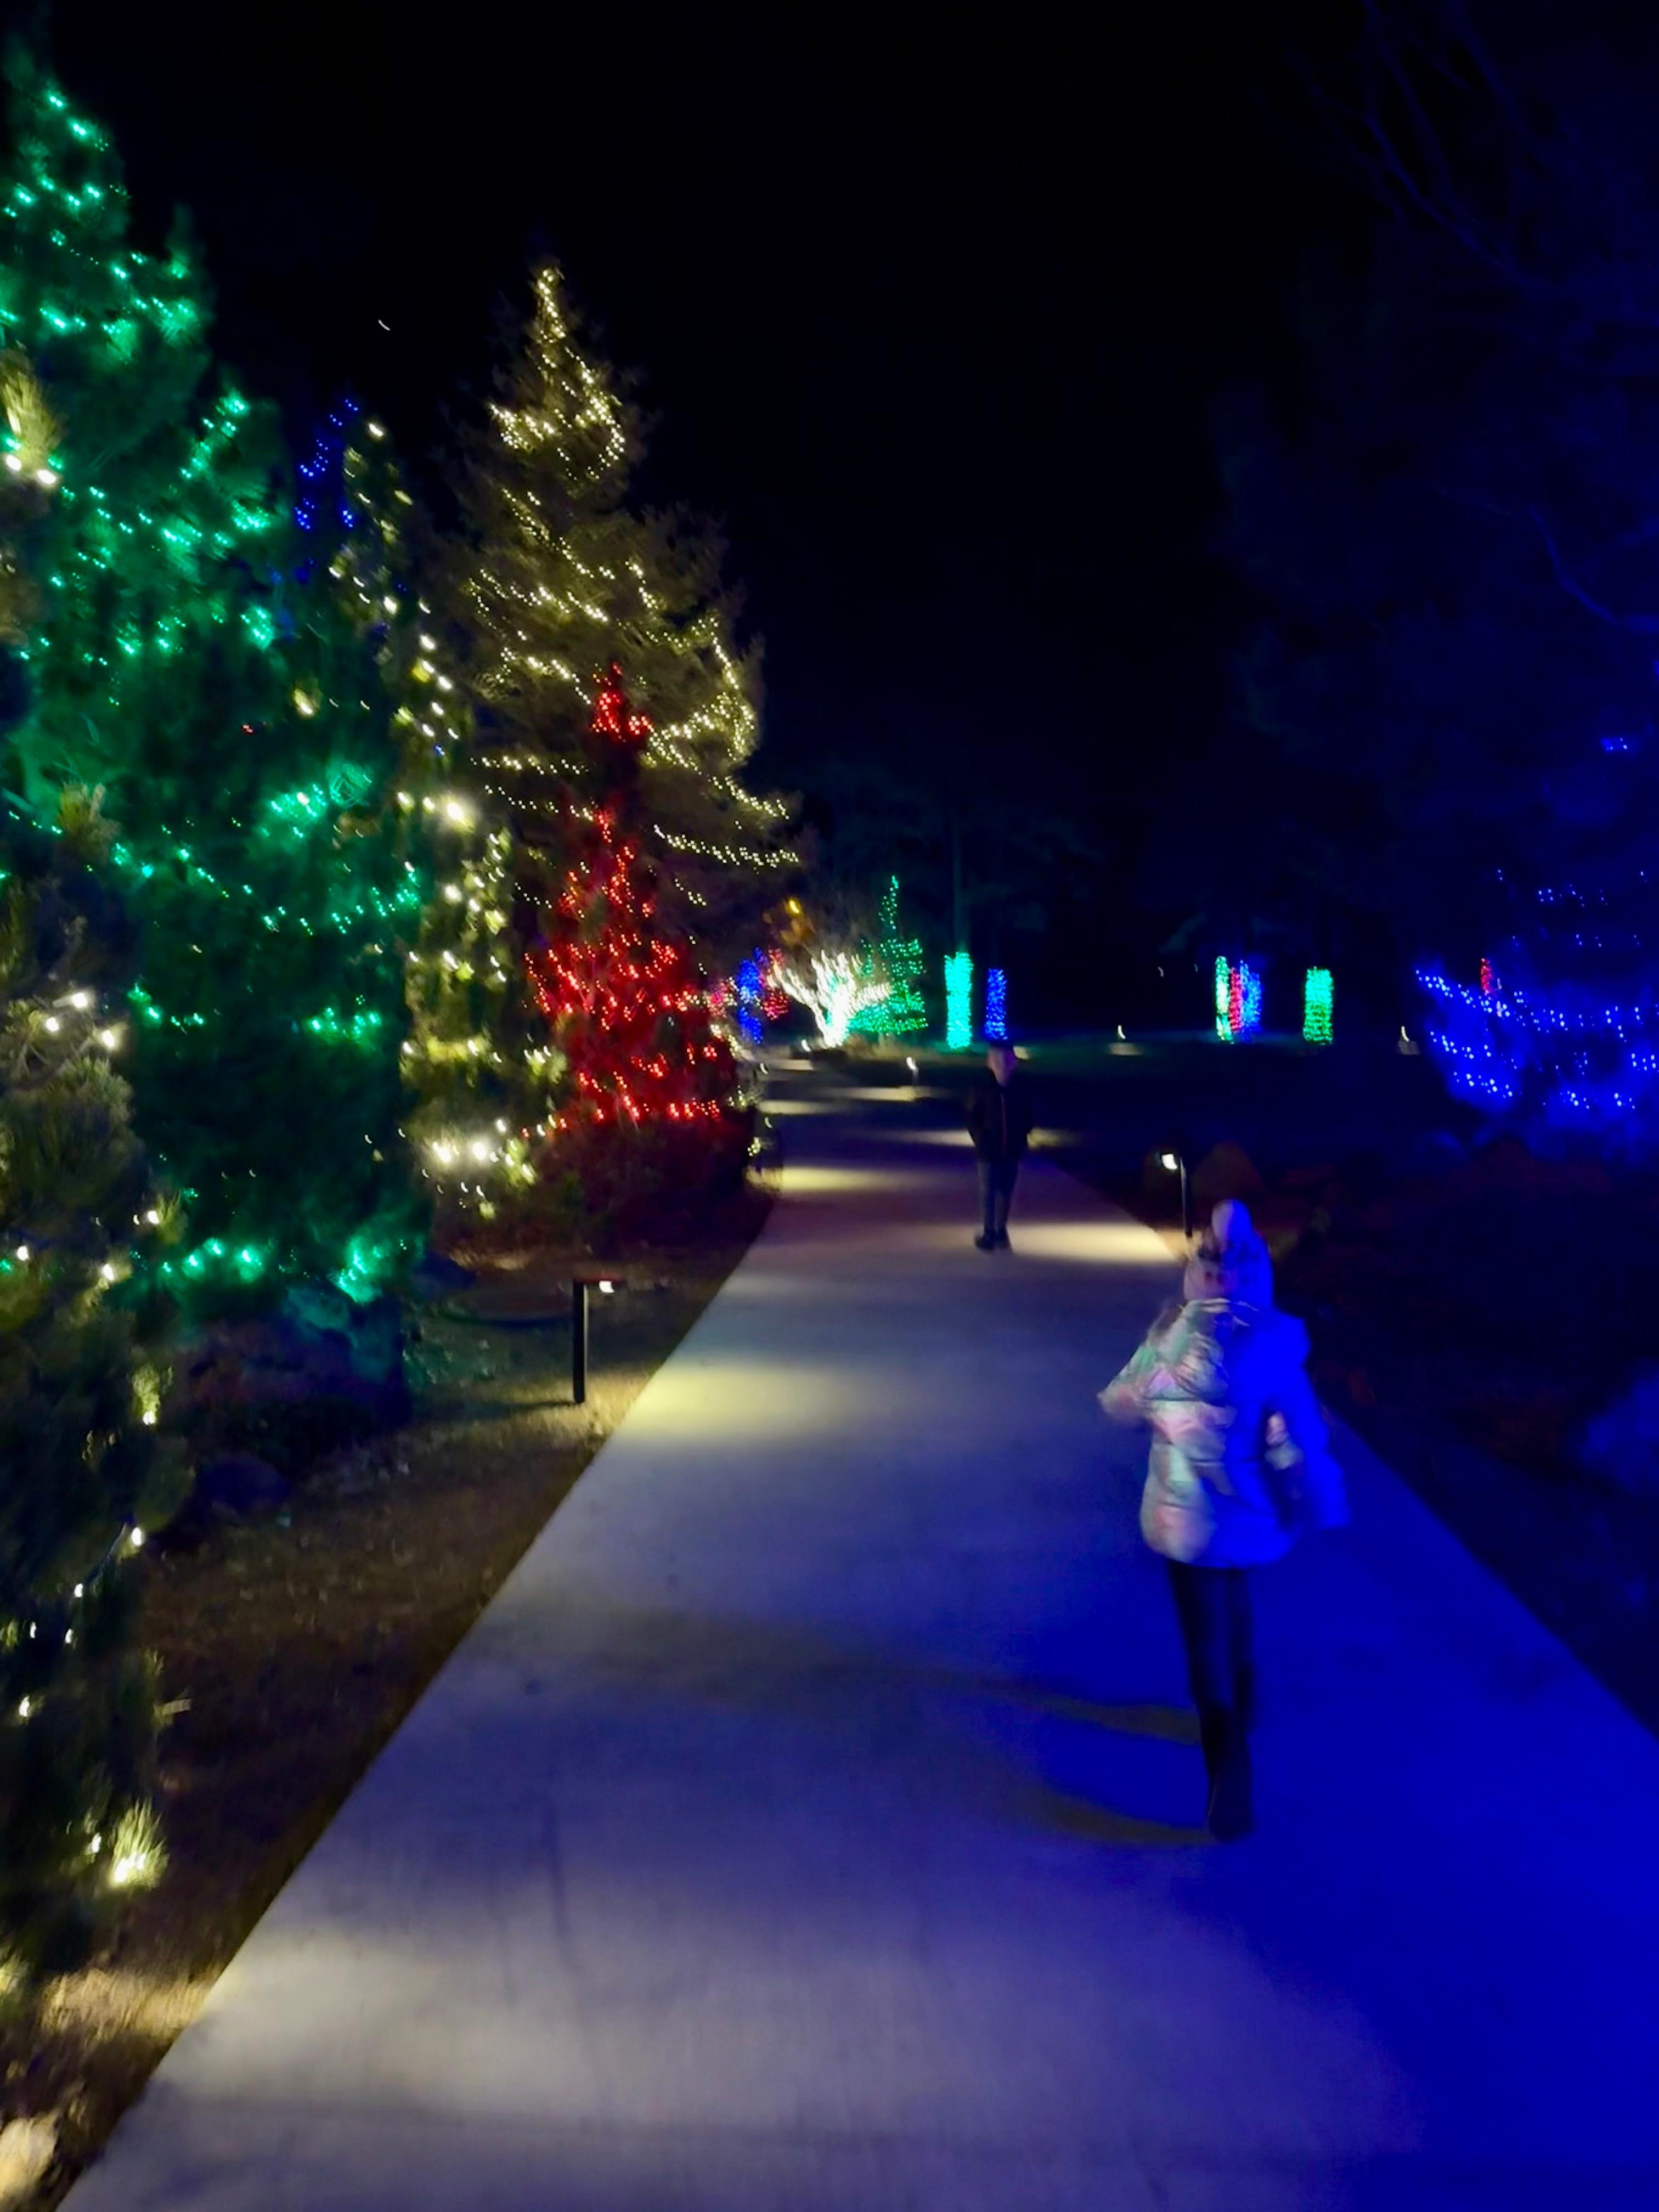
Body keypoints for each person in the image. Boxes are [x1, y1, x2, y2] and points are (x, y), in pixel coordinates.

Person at [1099, 1200, 1346, 1840]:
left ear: (1198, 1274)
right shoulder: (1271, 1351)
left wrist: (1155, 1407)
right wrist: (1316, 1498)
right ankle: (1250, 1695)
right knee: (1235, 1600)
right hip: (1249, 1515)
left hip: (1185, 1519)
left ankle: (1228, 1757)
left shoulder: (1169, 1341)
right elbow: (1301, 1437)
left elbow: (1124, 1402)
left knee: (1201, 1638)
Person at [964, 1041, 1034, 1251]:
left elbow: (1028, 1116)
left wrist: (1021, 1136)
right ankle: (989, 1233)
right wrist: (980, 1137)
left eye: (1007, 1060)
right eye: (997, 1061)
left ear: (1014, 1063)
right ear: (990, 1063)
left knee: (1006, 1192)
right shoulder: (982, 1089)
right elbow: (972, 1116)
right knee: (988, 1192)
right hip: (988, 1150)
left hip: (1011, 1150)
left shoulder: (1019, 1089)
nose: (1002, 1065)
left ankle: (1001, 1230)